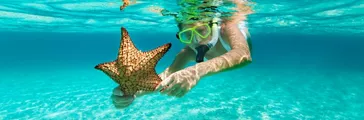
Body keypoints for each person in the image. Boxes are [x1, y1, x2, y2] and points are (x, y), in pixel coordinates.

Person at [111, 0, 254, 109]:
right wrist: (132, 92)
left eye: (202, 31)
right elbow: (165, 75)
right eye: (187, 36)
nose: (196, 40)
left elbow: (243, 54)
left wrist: (195, 72)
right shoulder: (187, 53)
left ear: (214, 25)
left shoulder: (226, 28)